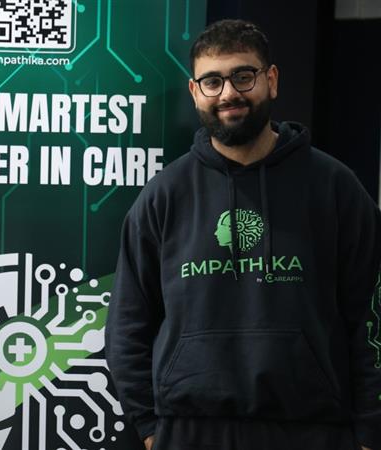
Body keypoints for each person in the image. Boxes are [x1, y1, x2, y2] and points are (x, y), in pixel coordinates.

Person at [105, 19, 381, 450]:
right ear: (195, 91)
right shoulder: (164, 195)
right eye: (212, 81)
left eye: (243, 76)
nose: (228, 93)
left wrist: (370, 430)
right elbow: (127, 322)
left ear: (271, 80)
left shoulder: (334, 187)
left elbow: (371, 316)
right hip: (189, 430)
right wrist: (148, 426)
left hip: (315, 428)